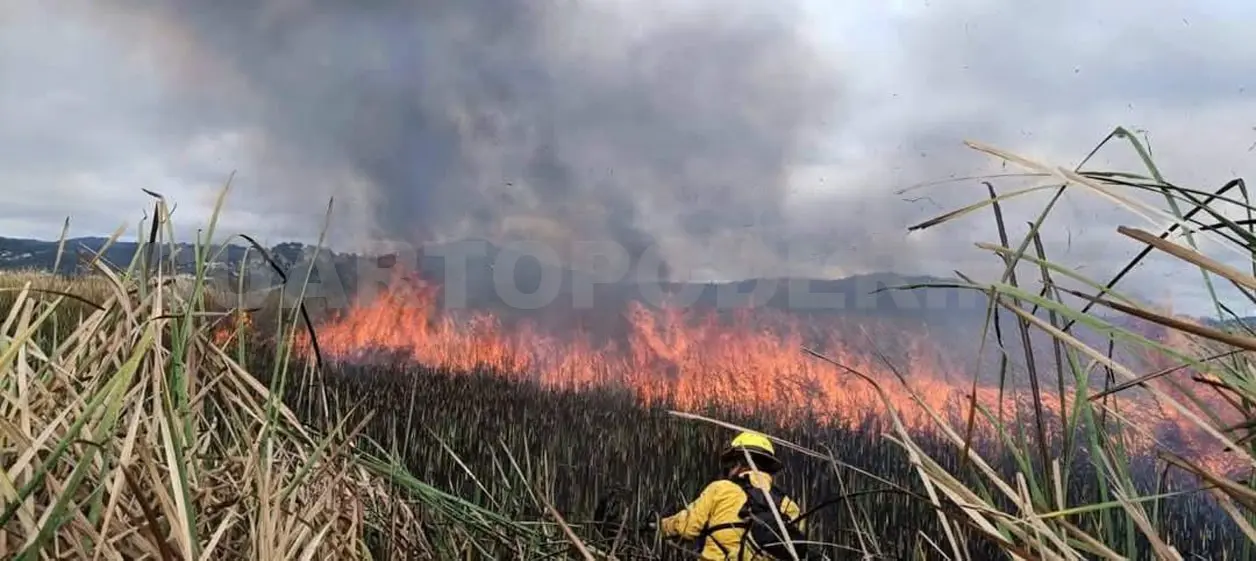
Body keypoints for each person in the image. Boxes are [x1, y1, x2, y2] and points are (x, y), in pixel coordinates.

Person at [653, 431, 806, 560]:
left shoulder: (721, 489)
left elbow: (687, 527)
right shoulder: (789, 505)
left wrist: (659, 526)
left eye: (731, 464)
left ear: (738, 463)